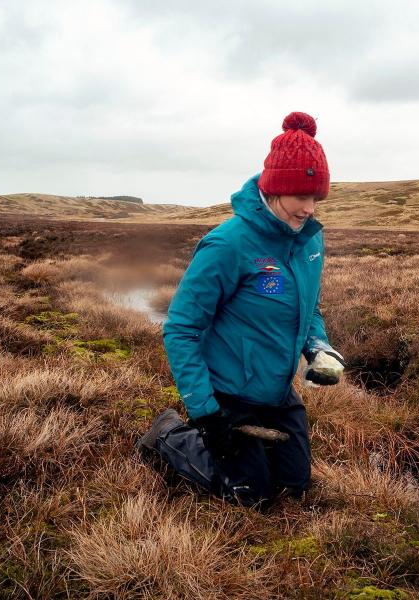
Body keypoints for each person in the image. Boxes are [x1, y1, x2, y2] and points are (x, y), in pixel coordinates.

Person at [136, 111, 346, 508]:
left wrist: (319, 348)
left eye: (316, 198)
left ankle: (251, 455)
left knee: (295, 488)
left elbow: (308, 308)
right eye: (300, 196)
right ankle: (168, 433)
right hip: (229, 393)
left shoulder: (308, 244)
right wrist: (205, 413)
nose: (309, 209)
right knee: (251, 498)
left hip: (278, 390)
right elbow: (181, 329)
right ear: (274, 189)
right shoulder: (228, 245)